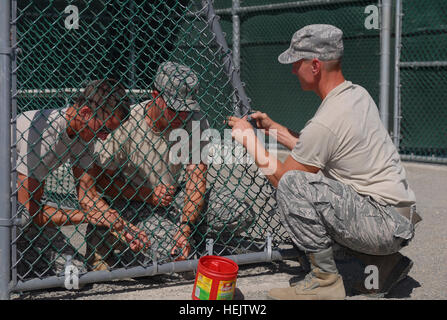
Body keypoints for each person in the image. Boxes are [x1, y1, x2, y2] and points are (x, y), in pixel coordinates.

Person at [226, 24, 421, 300]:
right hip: (396, 218)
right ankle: (378, 265)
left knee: (295, 185)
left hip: (382, 224)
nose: (294, 70)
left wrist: (250, 142)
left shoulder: (328, 120)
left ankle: (325, 280)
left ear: (315, 65)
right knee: (314, 183)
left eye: (297, 63)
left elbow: (285, 181)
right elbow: (319, 149)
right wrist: (273, 130)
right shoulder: (355, 95)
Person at [15, 79, 149, 278]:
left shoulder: (85, 133)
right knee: (21, 218)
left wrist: (121, 225)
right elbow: (30, 210)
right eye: (104, 129)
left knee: (75, 274)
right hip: (15, 213)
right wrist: (88, 216)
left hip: (23, 216)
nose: (104, 137)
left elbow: (88, 197)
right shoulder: (41, 132)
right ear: (86, 112)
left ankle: (20, 262)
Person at [88, 62, 209, 270]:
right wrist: (147, 194)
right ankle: (106, 243)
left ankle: (188, 240)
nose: (182, 116)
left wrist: (184, 228)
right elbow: (99, 182)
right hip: (129, 199)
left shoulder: (196, 120)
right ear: (155, 95)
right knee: (162, 252)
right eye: (175, 108)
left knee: (238, 212)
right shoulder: (126, 121)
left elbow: (197, 178)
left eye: (187, 109)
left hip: (172, 196)